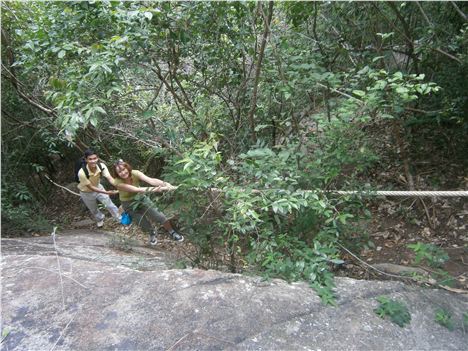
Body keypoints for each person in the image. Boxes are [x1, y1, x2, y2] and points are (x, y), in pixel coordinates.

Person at [113, 159, 183, 245]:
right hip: (128, 204)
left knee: (160, 216)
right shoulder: (117, 183)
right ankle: (152, 234)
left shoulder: (135, 173)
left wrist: (165, 184)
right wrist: (155, 190)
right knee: (142, 222)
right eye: (120, 172)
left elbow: (151, 180)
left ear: (127, 168)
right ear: (117, 174)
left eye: (124, 169)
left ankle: (172, 231)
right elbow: (136, 189)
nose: (123, 173)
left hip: (141, 198)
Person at [77, 149, 121, 228]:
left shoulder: (101, 166)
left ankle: (119, 218)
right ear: (86, 159)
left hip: (98, 187)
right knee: (93, 209)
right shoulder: (82, 172)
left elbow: (109, 178)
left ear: (97, 158)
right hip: (86, 192)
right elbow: (90, 187)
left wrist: (119, 186)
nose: (93, 161)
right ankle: (100, 219)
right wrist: (107, 192)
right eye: (90, 159)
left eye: (94, 158)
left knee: (110, 204)